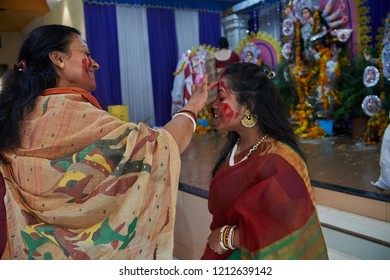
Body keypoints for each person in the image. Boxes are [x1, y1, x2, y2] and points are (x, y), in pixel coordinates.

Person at [0, 24, 209, 260]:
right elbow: (158, 146)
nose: (95, 63)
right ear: (57, 59)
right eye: (86, 54)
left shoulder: (16, 116)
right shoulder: (76, 116)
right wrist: (193, 107)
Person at [202, 62, 328, 260]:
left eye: (222, 98)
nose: (213, 105)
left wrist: (230, 238)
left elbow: (287, 227)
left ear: (248, 106)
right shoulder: (233, 150)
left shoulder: (281, 160)